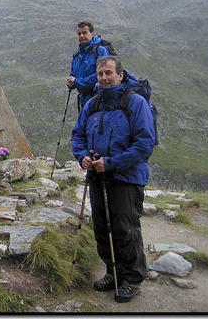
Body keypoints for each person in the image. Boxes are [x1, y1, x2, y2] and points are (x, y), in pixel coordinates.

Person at [71, 56, 155, 303]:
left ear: (120, 75)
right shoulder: (93, 104)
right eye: (100, 74)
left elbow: (144, 144)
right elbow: (78, 135)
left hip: (126, 177)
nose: (104, 78)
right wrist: (83, 156)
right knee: (102, 226)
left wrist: (111, 163)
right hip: (98, 176)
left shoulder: (135, 103)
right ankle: (113, 272)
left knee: (125, 228)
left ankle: (132, 278)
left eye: (108, 73)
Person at [66, 21, 110, 112]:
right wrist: (70, 83)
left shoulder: (100, 51)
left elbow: (102, 76)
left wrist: (77, 82)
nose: (81, 36)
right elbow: (73, 76)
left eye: (84, 33)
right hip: (84, 101)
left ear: (92, 33)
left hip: (99, 99)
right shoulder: (76, 56)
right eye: (79, 34)